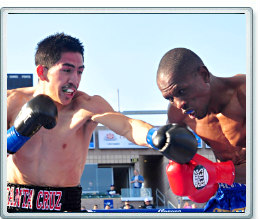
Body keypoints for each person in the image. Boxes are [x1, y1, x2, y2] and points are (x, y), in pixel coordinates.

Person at [6, 33, 198, 212]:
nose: (74, 80)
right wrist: (17, 134)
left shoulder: (87, 106)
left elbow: (126, 125)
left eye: (80, 72)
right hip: (13, 203)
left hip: (64, 204)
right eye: (67, 70)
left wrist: (153, 135)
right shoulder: (11, 102)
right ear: (42, 72)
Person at [156, 47, 246, 212]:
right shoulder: (178, 115)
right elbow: (179, 161)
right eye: (169, 98)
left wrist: (217, 173)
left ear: (204, 75)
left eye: (181, 91)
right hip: (226, 193)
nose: (178, 104)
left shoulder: (248, 93)